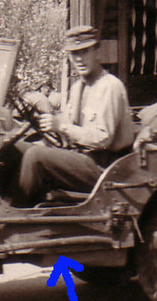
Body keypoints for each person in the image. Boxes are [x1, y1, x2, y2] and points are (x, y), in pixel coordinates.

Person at [13, 25, 135, 207]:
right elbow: (69, 128)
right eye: (74, 53)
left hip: (106, 169)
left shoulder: (109, 87)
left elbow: (101, 139)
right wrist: (49, 124)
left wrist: (61, 127)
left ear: (97, 52)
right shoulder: (78, 87)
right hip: (82, 158)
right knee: (16, 148)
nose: (79, 59)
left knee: (35, 156)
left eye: (85, 51)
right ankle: (6, 203)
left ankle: (16, 217)